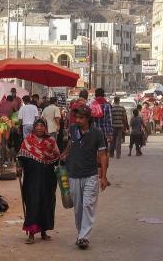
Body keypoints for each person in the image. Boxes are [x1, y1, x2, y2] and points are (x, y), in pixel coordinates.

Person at [61, 104, 108, 250]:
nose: (78, 120)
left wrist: (104, 176)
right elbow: (71, 143)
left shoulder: (97, 133)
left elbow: (103, 155)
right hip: (73, 174)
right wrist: (66, 153)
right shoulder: (73, 130)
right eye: (76, 117)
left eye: (81, 118)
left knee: (88, 205)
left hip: (90, 175)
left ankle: (83, 237)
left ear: (88, 118)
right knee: (78, 208)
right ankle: (81, 232)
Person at [16, 118, 60, 244]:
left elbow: (57, 157)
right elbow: (20, 157)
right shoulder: (28, 141)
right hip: (31, 179)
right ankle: (31, 233)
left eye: (42, 125)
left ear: (45, 128)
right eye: (37, 125)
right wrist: (19, 166)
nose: (39, 128)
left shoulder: (51, 141)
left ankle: (44, 231)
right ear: (34, 127)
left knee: (47, 203)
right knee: (32, 203)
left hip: (48, 179)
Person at [92, 88, 114, 157]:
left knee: (94, 152)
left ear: (95, 95)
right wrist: (110, 134)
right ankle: (103, 166)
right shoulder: (107, 105)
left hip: (93, 133)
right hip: (103, 133)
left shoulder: (92, 105)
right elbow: (109, 121)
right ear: (103, 95)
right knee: (103, 152)